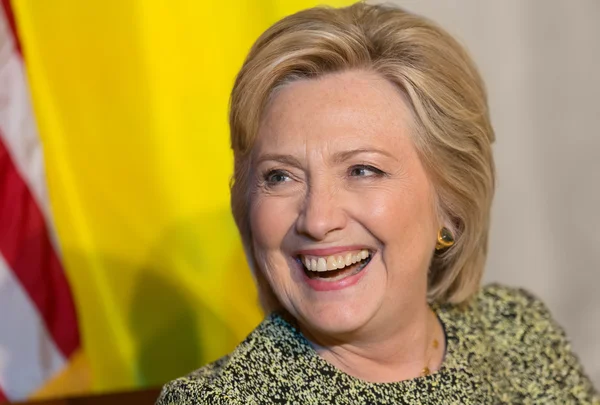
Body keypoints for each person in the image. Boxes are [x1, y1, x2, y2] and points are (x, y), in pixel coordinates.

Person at [156, 2, 599, 403]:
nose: (318, 219)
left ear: (451, 204)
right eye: (280, 176)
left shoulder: (517, 328)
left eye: (362, 170)